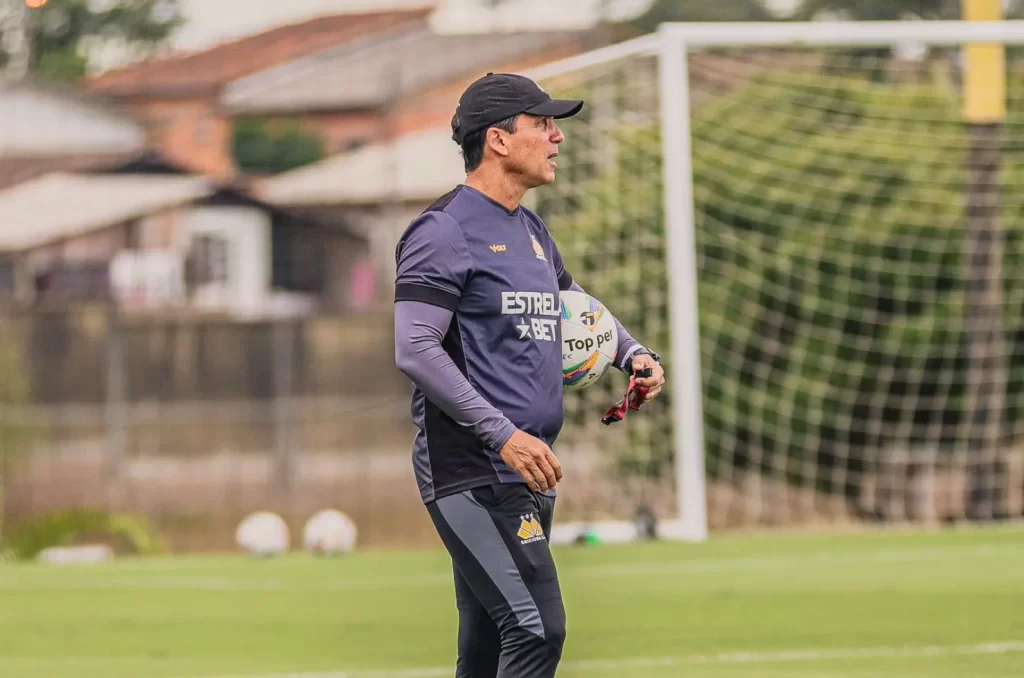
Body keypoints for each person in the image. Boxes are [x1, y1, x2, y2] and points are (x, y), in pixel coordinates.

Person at [393, 72, 666, 678]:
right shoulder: (442, 230)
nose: (556, 137)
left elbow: (576, 303)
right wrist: (503, 435)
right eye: (542, 125)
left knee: (488, 649)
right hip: (473, 468)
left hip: (529, 466)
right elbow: (415, 348)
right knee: (537, 628)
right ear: (497, 140)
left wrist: (632, 353)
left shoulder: (531, 230)